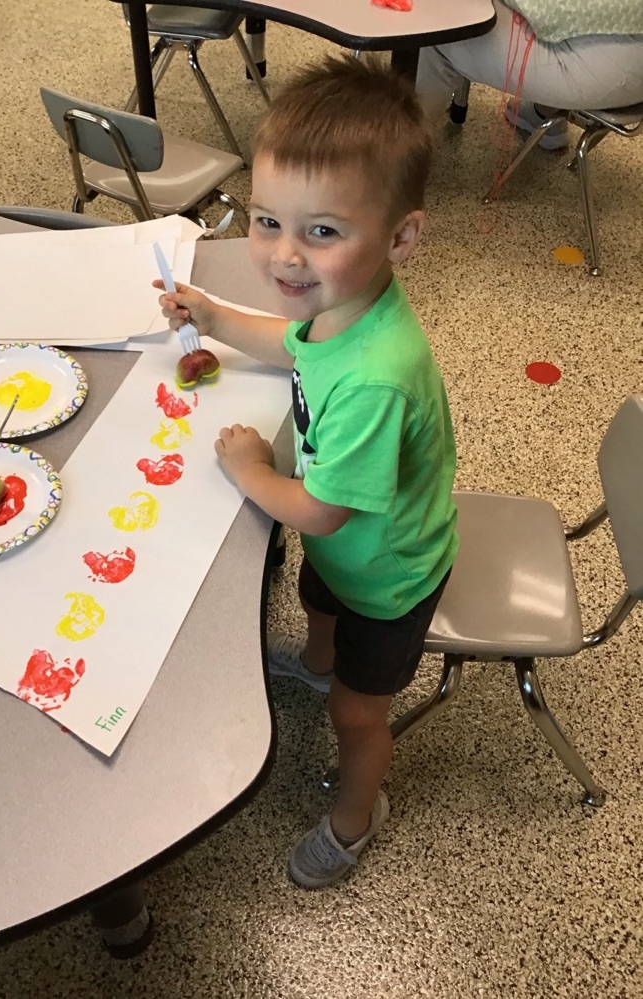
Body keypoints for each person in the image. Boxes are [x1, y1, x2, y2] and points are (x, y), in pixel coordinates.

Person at [156, 54, 458, 889]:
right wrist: (213, 316)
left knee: (356, 715)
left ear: (402, 237)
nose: (285, 256)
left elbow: (321, 511)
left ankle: (356, 818)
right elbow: (287, 338)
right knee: (316, 602)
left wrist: (249, 464)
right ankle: (318, 655)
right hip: (348, 563)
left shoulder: (374, 374)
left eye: (321, 231)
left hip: (391, 577)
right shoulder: (338, 308)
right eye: (265, 221)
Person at [416, 0, 643, 149]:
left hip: (614, 64)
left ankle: (398, 149)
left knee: (439, 32)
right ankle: (543, 114)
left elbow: (548, 13)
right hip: (627, 51)